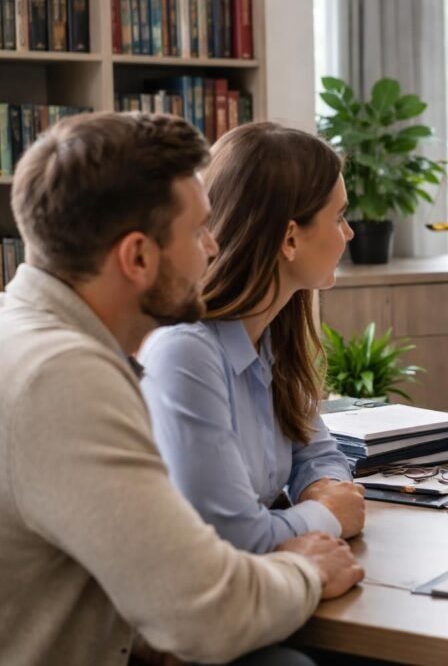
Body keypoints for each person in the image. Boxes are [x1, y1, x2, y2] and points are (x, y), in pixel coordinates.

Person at [0, 112, 363, 666]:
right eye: (197, 231)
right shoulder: (63, 377)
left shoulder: (32, 338)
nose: (215, 248)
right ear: (138, 257)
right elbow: (204, 612)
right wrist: (308, 568)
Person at [139, 122, 365, 553]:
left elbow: (318, 454)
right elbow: (230, 538)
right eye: (338, 217)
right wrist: (326, 515)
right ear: (290, 238)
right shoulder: (185, 351)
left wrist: (322, 488)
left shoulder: (273, 335)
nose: (349, 233)